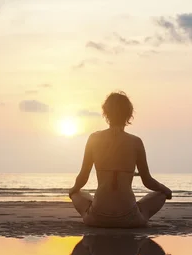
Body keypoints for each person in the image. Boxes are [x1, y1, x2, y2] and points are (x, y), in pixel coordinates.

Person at [69, 91, 172, 228]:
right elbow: (148, 181)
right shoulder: (136, 142)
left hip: (98, 217)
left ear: (106, 113)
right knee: (160, 195)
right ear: (129, 114)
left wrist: (73, 190)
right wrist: (166, 190)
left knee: (79, 193)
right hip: (129, 218)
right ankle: (139, 212)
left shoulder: (94, 139)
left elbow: (83, 177)